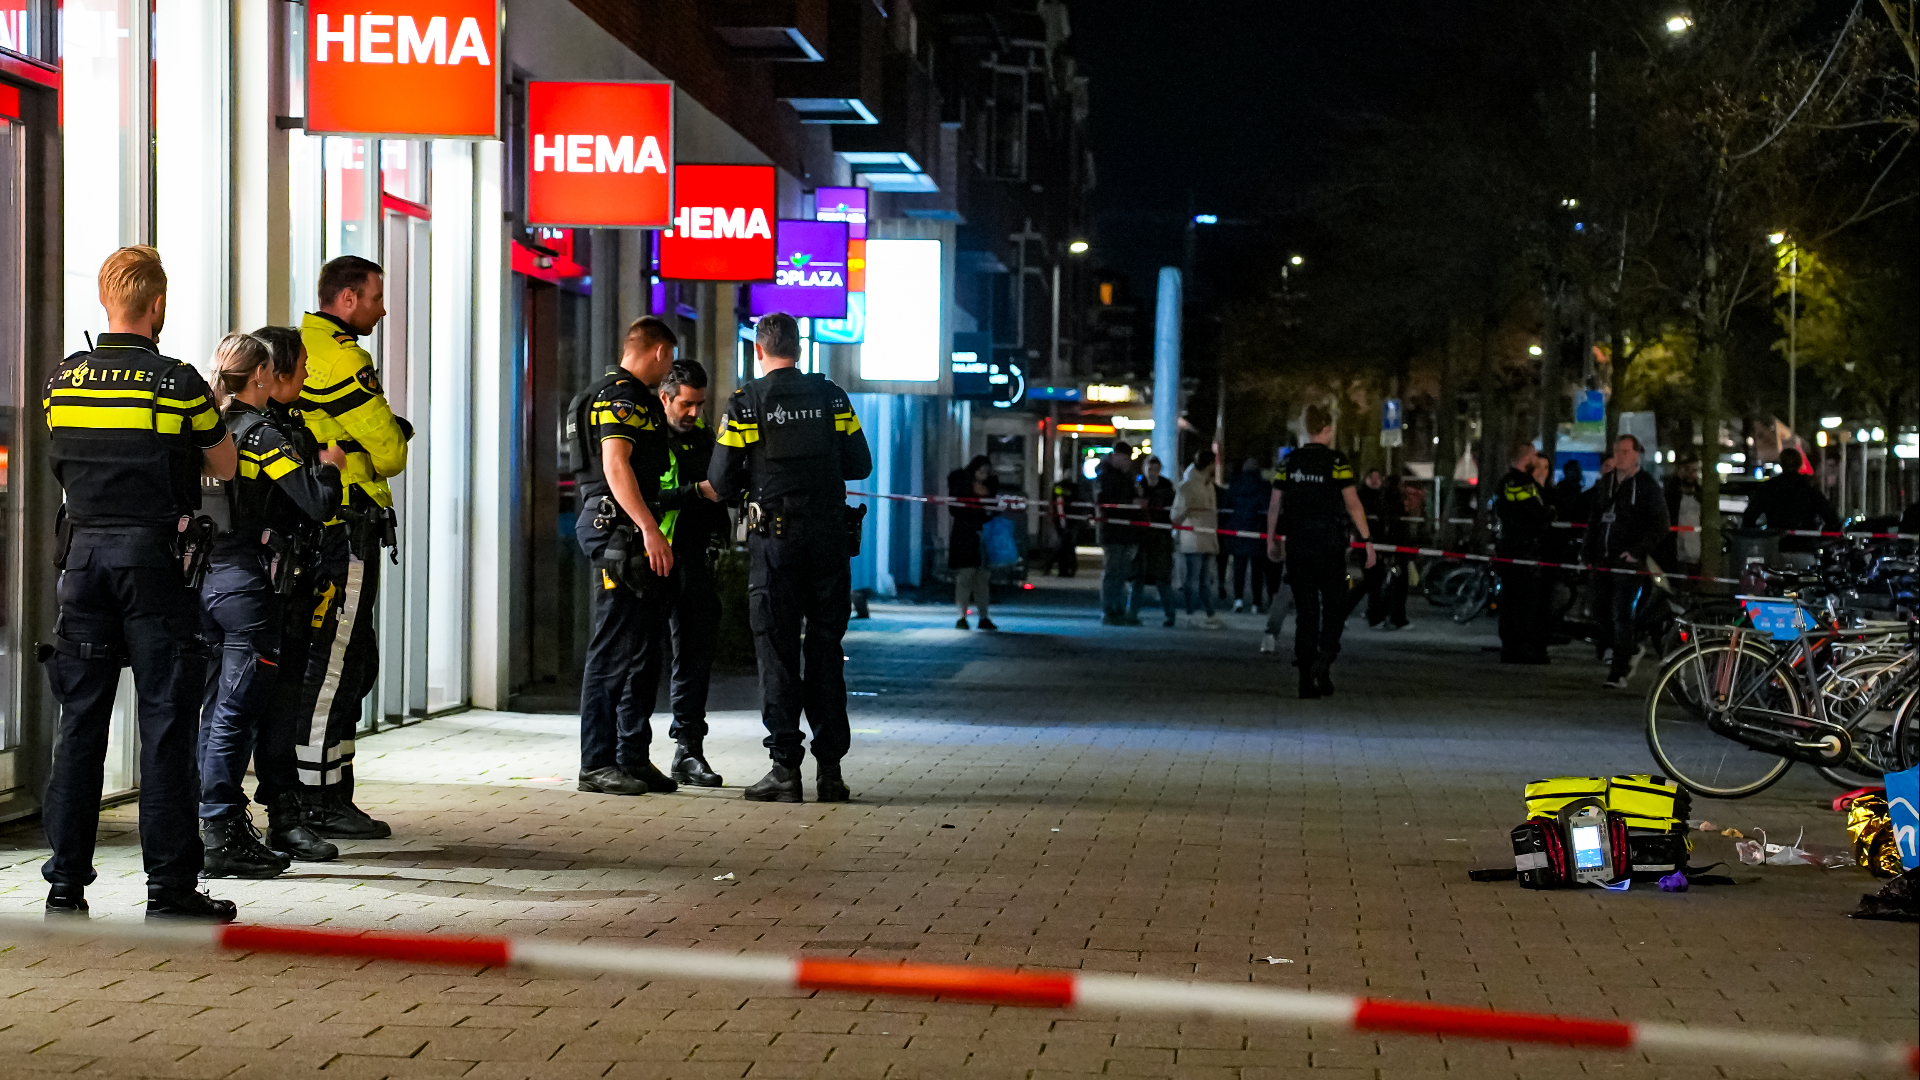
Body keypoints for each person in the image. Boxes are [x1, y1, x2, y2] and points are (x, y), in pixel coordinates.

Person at [41, 246, 239, 920]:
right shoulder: (177, 382)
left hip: (83, 564)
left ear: (106, 301)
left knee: (81, 725)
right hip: (154, 567)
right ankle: (170, 891)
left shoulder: (63, 381)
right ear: (157, 305)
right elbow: (227, 464)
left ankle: (64, 888)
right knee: (165, 725)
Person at [709, 312, 873, 803]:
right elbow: (860, 463)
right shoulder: (833, 397)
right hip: (828, 541)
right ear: (799, 350)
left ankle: (784, 769)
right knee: (825, 649)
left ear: (759, 350)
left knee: (777, 652)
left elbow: (719, 481)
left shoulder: (745, 404)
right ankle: (831, 772)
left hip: (775, 545)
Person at [199, 330, 345, 876]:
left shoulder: (210, 428)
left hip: (207, 582)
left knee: (217, 708)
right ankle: (221, 832)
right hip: (250, 586)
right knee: (238, 712)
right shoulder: (260, 435)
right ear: (261, 375)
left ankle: (219, 824)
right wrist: (329, 466)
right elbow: (315, 502)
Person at [291, 255, 411, 840]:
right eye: (375, 298)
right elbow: (390, 451)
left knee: (349, 664)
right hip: (346, 529)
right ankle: (317, 800)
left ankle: (330, 793)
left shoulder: (304, 348)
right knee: (338, 665)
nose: (382, 309)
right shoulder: (343, 358)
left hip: (328, 528)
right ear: (345, 300)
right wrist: (378, 447)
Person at [572, 316, 679, 796]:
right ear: (658, 352)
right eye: (670, 360)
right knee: (613, 649)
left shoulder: (624, 394)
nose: (668, 370)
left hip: (625, 527)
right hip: (618, 531)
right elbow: (616, 465)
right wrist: (649, 530)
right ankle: (596, 763)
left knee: (643, 650)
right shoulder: (621, 395)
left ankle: (631, 757)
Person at [647, 358, 729, 788]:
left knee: (694, 658)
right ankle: (630, 752)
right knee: (642, 658)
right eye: (686, 404)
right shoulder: (644, 436)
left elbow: (720, 498)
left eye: (699, 404)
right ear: (665, 398)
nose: (693, 413)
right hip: (650, 560)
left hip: (694, 561)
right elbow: (645, 495)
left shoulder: (707, 441)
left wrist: (719, 538)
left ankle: (688, 750)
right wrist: (695, 492)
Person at [1268, 405, 1374, 698]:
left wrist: (1270, 540)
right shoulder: (1337, 461)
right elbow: (1353, 504)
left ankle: (1305, 675)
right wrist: (1367, 541)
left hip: (1298, 544)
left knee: (1306, 610)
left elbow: (1275, 504)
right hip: (1329, 544)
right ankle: (1324, 660)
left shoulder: (1289, 462)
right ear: (1327, 429)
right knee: (1334, 606)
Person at [1583, 434, 1668, 689]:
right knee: (1599, 610)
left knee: (1622, 613)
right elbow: (1595, 519)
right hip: (1603, 558)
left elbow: (1660, 524)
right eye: (1616, 451)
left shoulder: (1647, 486)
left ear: (1636, 455)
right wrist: (1588, 551)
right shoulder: (1606, 483)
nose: (1619, 456)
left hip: (1628, 561)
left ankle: (1618, 671)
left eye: (1625, 451)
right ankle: (1628, 648)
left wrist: (1637, 551)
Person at [1494, 442, 1552, 664]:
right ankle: (1522, 648)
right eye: (1533, 456)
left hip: (1506, 549)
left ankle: (1508, 646)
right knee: (1525, 602)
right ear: (1527, 457)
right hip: (1526, 551)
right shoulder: (1527, 485)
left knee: (1508, 600)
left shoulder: (1503, 483)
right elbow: (1539, 514)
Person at [1742, 448, 1839, 557]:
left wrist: (1757, 537)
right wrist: (1821, 536)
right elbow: (1832, 518)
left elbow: (1749, 517)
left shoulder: (1769, 488)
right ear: (1800, 464)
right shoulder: (1809, 489)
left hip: (1776, 548)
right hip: (1804, 548)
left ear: (1781, 463)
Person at [1172, 450, 1224, 628]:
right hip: (1194, 537)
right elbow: (1176, 514)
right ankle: (1194, 612)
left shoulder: (1203, 483)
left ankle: (1203, 613)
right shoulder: (1191, 485)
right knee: (1195, 579)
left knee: (1202, 579)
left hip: (1203, 535)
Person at [948, 454, 1000, 630]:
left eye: (987, 471)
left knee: (982, 578)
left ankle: (983, 616)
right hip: (965, 536)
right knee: (965, 576)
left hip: (983, 536)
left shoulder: (990, 487)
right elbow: (955, 509)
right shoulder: (961, 485)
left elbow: (994, 510)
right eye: (981, 471)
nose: (984, 474)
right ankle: (962, 617)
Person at [1095, 441, 1143, 625]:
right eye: (1124, 458)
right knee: (1113, 573)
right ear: (1115, 456)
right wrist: (1130, 503)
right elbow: (1106, 503)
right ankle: (1110, 611)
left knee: (1121, 574)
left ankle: (1119, 609)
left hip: (1126, 531)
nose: (1126, 462)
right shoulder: (1106, 476)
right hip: (1113, 532)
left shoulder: (1127, 477)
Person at [1133, 455, 1178, 626]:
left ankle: (1170, 615)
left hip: (1160, 536)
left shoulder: (1165, 486)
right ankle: (1133, 613)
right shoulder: (1139, 486)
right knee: (1139, 577)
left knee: (1162, 578)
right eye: (1151, 469)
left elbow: (1170, 509)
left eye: (1156, 470)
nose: (1153, 473)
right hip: (1144, 535)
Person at [1225, 458, 1269, 611]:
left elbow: (1228, 504)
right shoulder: (1263, 486)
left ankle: (1238, 600)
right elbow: (1266, 507)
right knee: (1257, 571)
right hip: (1257, 532)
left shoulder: (1235, 484)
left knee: (1239, 569)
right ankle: (1256, 603)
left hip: (1238, 531)